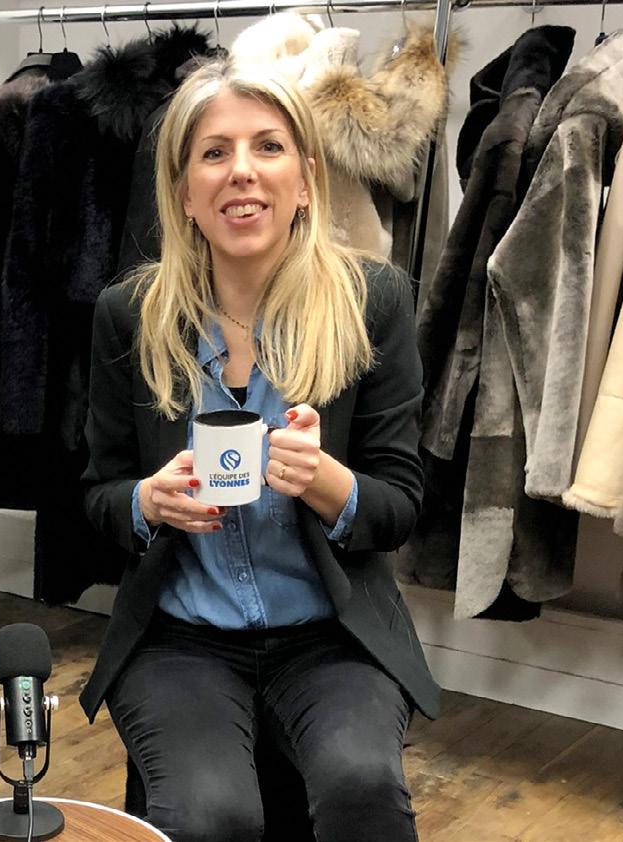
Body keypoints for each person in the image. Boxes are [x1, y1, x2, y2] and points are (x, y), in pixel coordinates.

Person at [79, 57, 441, 842]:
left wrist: (328, 482)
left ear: (305, 180)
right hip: (180, 639)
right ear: (183, 192)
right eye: (213, 152)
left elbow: (401, 503)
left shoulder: (372, 301)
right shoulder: (128, 315)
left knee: (362, 789)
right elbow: (98, 493)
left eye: (267, 146)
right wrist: (145, 502)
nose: (241, 170)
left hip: (331, 637)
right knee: (209, 817)